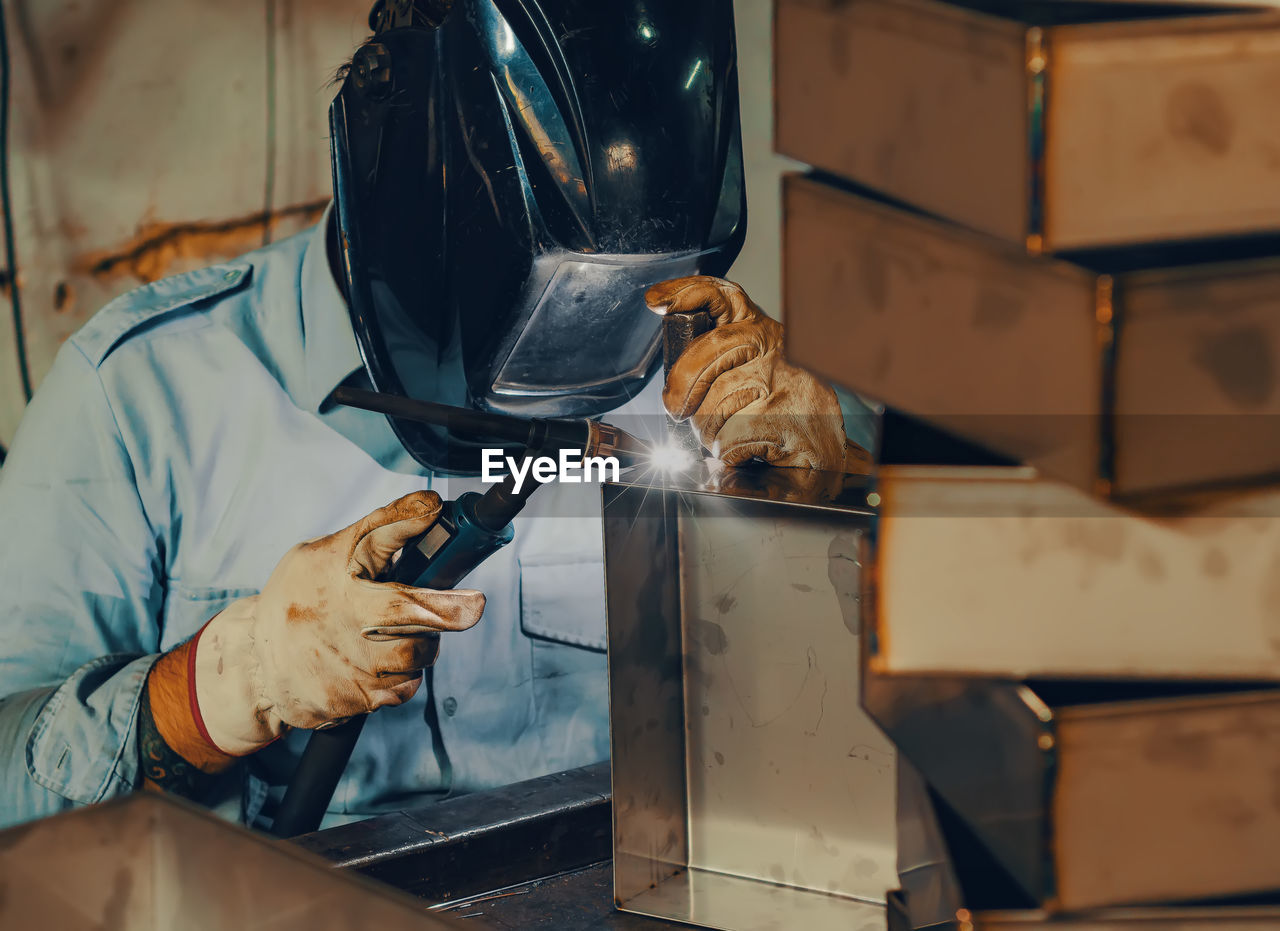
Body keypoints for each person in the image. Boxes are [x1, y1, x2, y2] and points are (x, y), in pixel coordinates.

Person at [0, 0, 872, 831]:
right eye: (557, 298)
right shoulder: (138, 396)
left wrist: (837, 492)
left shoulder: (719, 388)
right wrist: (230, 682)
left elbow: (922, 690)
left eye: (623, 292)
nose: (590, 347)